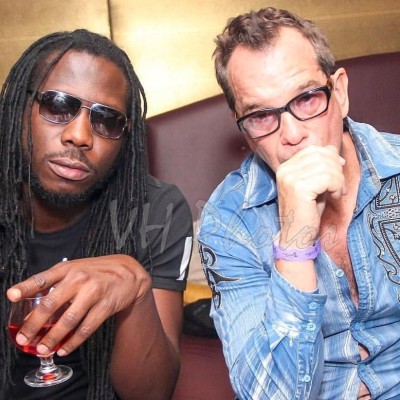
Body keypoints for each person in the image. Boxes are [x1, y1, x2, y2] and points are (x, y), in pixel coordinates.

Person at [198, 7, 400, 400]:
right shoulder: (227, 221)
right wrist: (294, 242)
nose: (291, 134)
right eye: (260, 115)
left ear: (339, 92)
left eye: (306, 98)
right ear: (242, 125)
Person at [0, 29, 193, 400]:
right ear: (19, 109)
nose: (79, 135)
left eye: (106, 120)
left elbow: (153, 394)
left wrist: (135, 295)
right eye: (58, 105)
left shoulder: (155, 210)